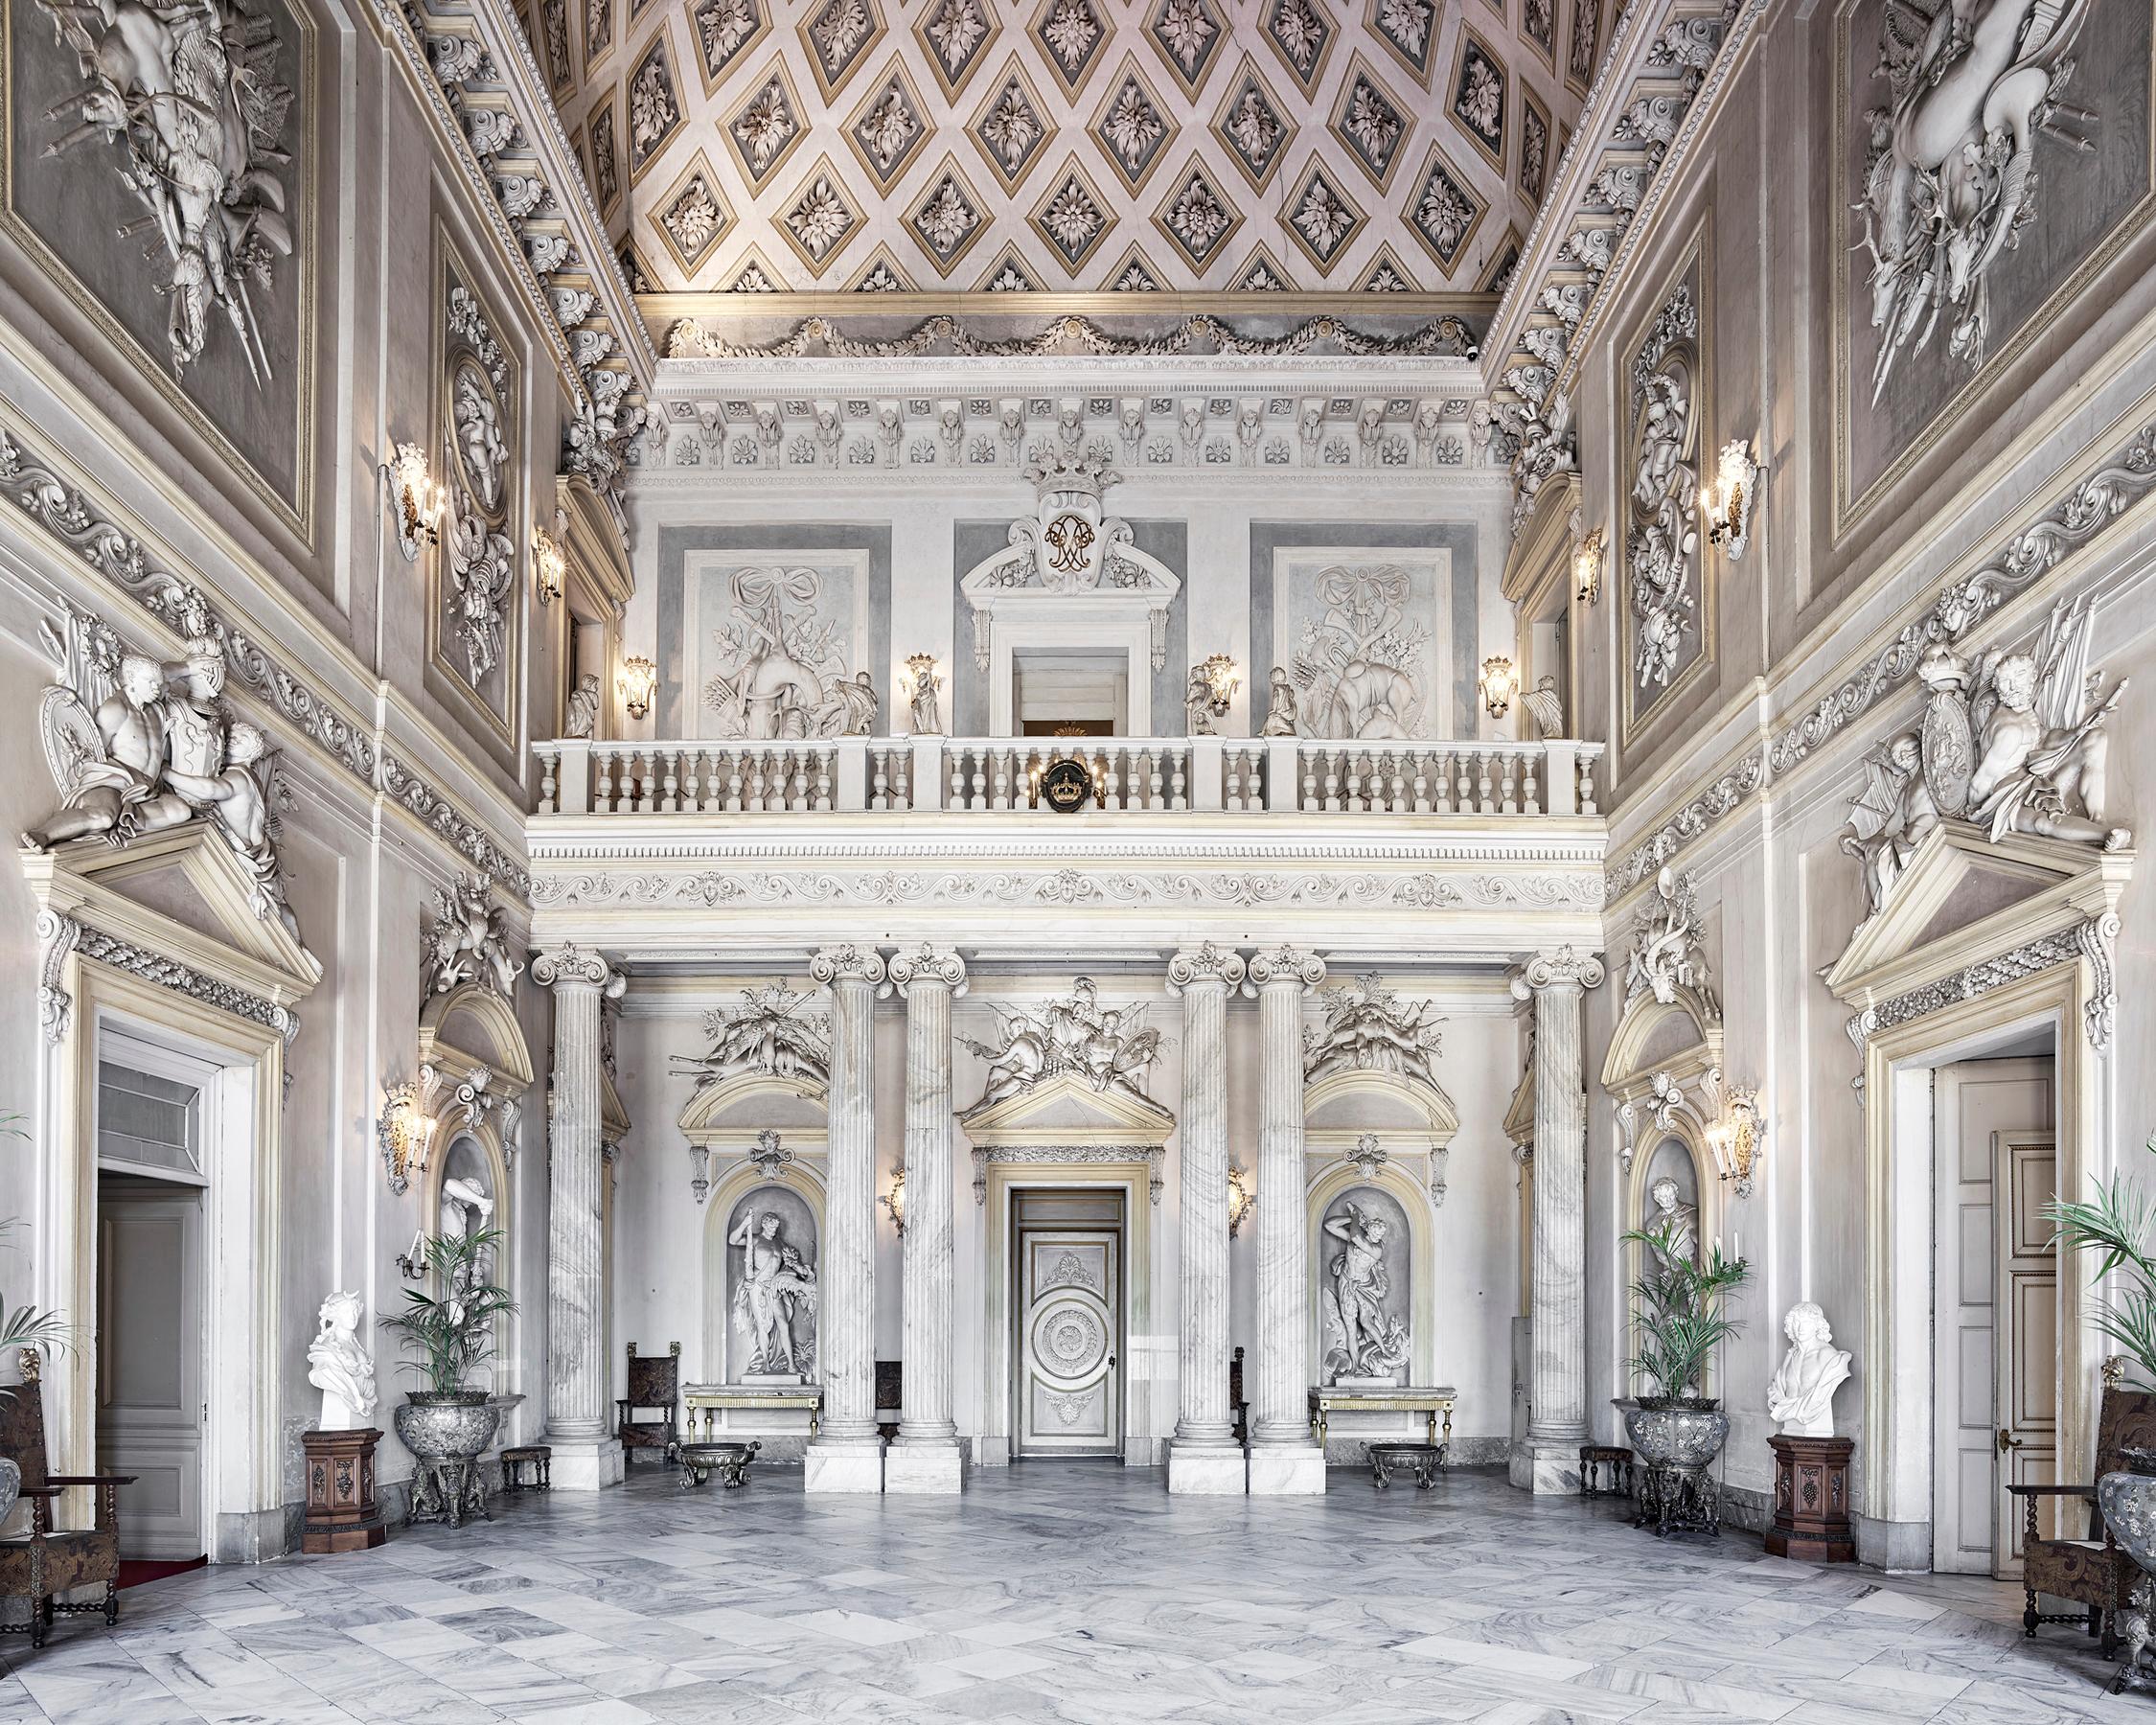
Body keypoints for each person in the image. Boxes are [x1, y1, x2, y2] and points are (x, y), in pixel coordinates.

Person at [730, 1209, 817, 1377]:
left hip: (775, 1287)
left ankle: (792, 1365)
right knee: (763, 1326)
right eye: (771, 1226)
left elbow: (792, 1263)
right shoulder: (754, 1239)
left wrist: (802, 1270)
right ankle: (766, 1363)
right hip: (757, 1286)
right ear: (763, 1224)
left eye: (776, 1227)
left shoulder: (780, 1244)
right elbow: (733, 1240)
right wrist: (745, 1223)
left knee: (783, 1324)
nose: (774, 1230)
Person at [1766, 1301, 1851, 1438]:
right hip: (1791, 1431)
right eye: (1796, 1322)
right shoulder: (1789, 1358)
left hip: (1817, 1428)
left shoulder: (1828, 1356)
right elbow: (1776, 1390)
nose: (1799, 1327)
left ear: (1817, 1325)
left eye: (1805, 1322)